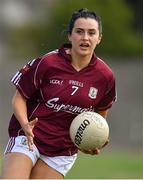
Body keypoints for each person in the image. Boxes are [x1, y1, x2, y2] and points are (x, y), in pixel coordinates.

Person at [1, 8, 116, 179]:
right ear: (70, 36)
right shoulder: (48, 63)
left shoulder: (105, 76)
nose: (85, 37)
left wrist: (93, 137)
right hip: (28, 137)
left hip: (62, 150)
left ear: (99, 38)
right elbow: (19, 98)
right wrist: (25, 125)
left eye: (91, 33)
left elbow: (100, 115)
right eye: (79, 32)